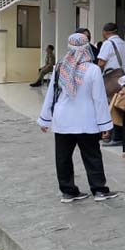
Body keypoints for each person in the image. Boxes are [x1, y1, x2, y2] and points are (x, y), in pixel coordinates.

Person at [36, 33, 119, 203]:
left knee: (63, 157)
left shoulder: (59, 68)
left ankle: (68, 192)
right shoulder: (93, 70)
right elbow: (99, 99)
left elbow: (51, 95)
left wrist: (45, 119)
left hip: (62, 120)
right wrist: (105, 125)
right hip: (86, 120)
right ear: (86, 47)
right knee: (92, 155)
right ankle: (99, 190)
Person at [97, 22, 125, 147]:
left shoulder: (108, 44)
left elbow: (101, 63)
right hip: (124, 77)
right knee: (120, 105)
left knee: (111, 106)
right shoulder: (124, 44)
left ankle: (115, 136)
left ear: (105, 32)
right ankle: (118, 135)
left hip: (112, 78)